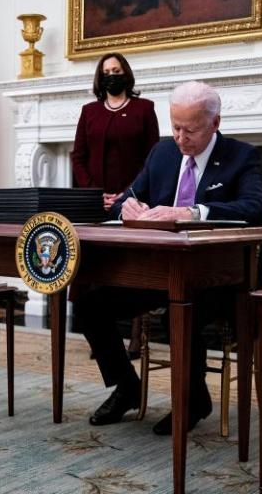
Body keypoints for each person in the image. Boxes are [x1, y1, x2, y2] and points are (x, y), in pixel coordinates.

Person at [74, 80, 262, 435]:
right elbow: (125, 198)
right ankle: (127, 386)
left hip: (220, 278)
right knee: (88, 303)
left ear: (215, 124)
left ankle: (194, 400)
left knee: (183, 308)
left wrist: (193, 214)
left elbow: (257, 208)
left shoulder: (241, 156)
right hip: (160, 272)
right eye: (175, 126)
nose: (180, 138)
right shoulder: (162, 153)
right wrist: (127, 207)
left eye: (190, 130)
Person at [70, 52, 159, 357]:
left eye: (117, 70)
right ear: (100, 77)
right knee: (96, 266)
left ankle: (137, 335)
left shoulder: (144, 109)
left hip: (135, 201)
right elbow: (77, 156)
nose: (112, 75)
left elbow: (154, 158)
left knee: (132, 267)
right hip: (96, 202)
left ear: (126, 74)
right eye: (107, 71)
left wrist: (128, 194)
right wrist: (94, 193)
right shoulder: (89, 111)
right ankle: (102, 338)